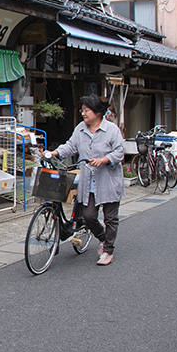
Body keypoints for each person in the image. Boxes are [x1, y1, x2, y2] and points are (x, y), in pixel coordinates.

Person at [49, 96, 125, 266]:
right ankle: (104, 238)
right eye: (82, 110)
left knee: (110, 217)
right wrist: (55, 153)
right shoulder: (80, 129)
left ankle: (108, 251)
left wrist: (104, 159)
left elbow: (120, 151)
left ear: (97, 112)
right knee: (89, 216)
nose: (83, 113)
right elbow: (71, 146)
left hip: (108, 180)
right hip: (88, 180)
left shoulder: (111, 130)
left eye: (86, 110)